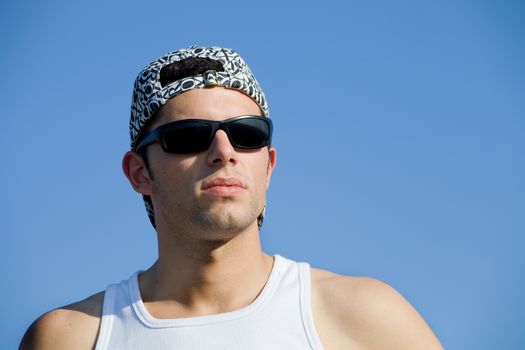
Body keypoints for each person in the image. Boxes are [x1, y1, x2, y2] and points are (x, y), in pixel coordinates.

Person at [20, 46, 443, 349]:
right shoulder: (72, 336)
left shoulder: (364, 317)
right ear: (139, 173)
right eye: (188, 137)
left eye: (246, 135)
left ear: (269, 165)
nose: (224, 152)